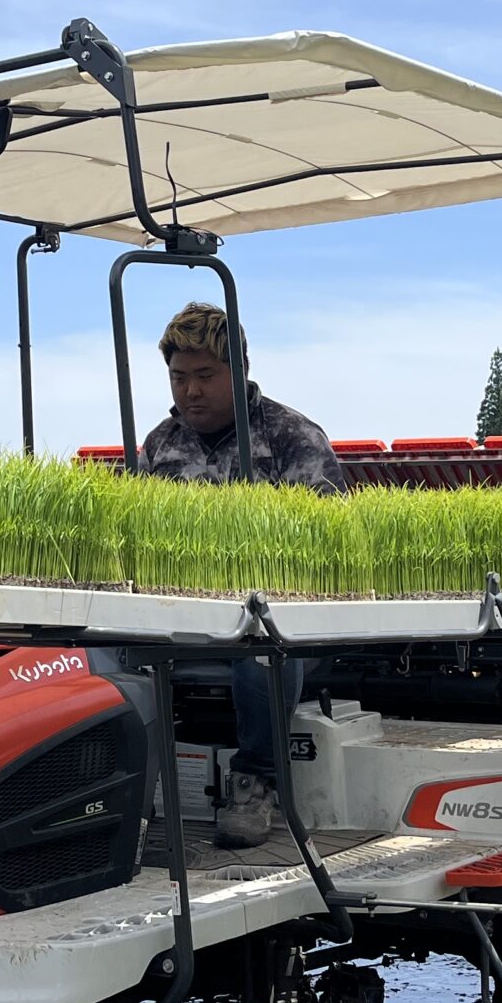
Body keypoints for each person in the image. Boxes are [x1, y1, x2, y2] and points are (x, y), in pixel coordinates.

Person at [139, 302, 347, 846]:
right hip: (181, 616)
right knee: (97, 650)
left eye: (205, 376)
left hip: (283, 621)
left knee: (260, 648)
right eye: (180, 378)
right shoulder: (161, 445)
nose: (191, 392)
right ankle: (124, 785)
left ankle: (256, 781)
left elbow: (331, 546)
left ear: (241, 370)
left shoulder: (290, 437)